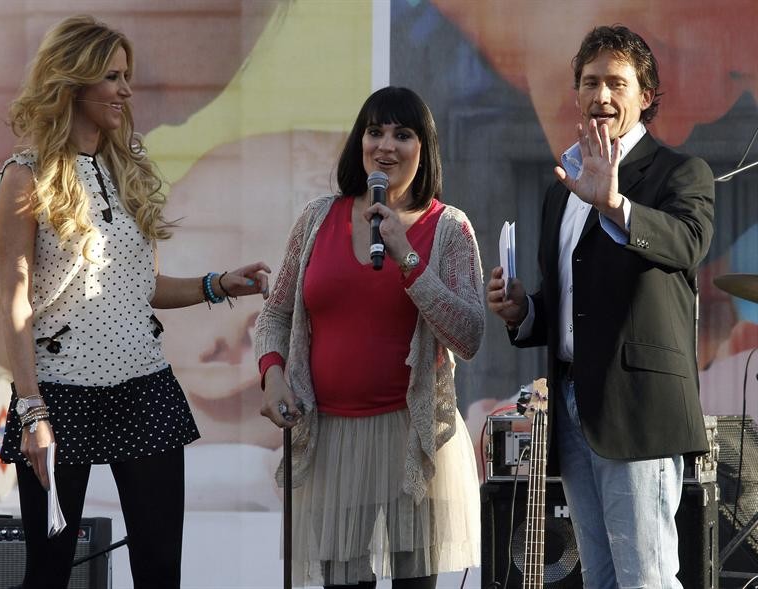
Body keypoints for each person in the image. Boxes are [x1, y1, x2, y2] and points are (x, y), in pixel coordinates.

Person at [0, 15, 270, 589]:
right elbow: (15, 301)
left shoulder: (129, 163)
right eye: (112, 77)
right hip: (59, 395)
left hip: (144, 385)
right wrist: (32, 411)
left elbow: (142, 288)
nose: (126, 90)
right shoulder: (25, 176)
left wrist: (218, 284)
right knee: (49, 574)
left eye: (126, 76)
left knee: (160, 569)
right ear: (74, 81)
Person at [486, 25, 715, 587]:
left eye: (617, 82)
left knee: (645, 578)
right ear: (576, 94)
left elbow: (687, 242)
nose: (602, 96)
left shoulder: (679, 172)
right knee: (601, 579)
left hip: (637, 411)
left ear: (646, 95)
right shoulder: (561, 187)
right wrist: (523, 311)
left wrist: (614, 204)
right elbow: (568, 300)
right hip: (571, 405)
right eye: (590, 83)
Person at [254, 86, 483, 589]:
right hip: (332, 440)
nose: (386, 146)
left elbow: (468, 335)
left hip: (411, 440)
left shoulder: (450, 229)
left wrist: (407, 257)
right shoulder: (317, 219)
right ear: (359, 142)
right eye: (375, 131)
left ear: (423, 148)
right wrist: (273, 376)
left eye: (403, 135)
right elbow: (275, 315)